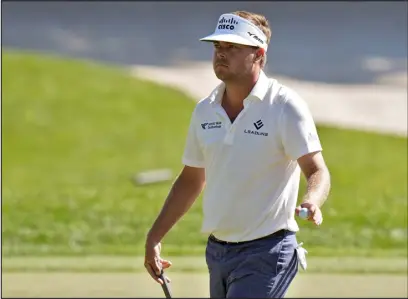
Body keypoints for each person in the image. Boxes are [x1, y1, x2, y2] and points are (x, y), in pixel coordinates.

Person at [144, 10, 331, 298]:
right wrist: (155, 237)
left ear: (258, 54)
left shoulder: (284, 106)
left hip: (267, 252)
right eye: (218, 46)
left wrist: (312, 200)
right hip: (217, 252)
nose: (221, 54)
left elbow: (317, 170)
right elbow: (192, 179)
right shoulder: (205, 109)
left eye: (233, 47)